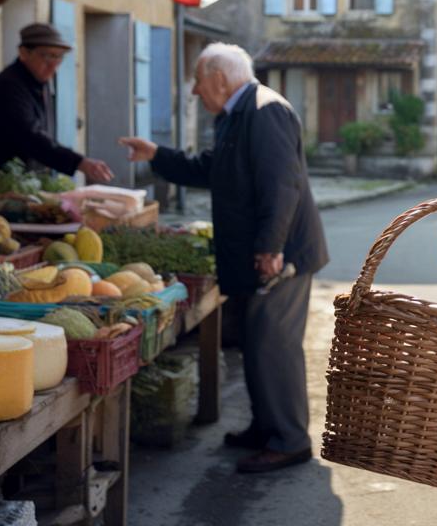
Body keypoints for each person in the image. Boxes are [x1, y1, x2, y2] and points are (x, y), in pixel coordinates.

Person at [119, 42, 327, 474]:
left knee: (274, 346)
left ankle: (289, 440)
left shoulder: (265, 109)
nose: (195, 90)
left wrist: (271, 247)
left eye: (198, 80)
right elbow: (209, 169)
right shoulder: (238, 113)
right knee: (256, 344)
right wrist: (157, 155)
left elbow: (280, 186)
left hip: (281, 256)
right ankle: (266, 427)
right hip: (262, 256)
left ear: (219, 77)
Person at [0, 23, 114, 183]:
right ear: (24, 53)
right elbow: (29, 135)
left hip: (24, 182)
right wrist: (78, 162)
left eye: (58, 57)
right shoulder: (9, 85)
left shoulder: (39, 82)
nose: (53, 65)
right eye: (47, 56)